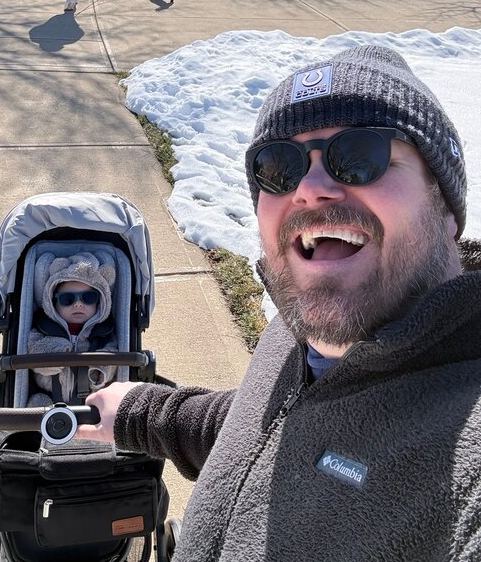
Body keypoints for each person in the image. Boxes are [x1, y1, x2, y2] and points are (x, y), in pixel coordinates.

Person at [75, 44, 481, 561]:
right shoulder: (301, 330)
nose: (310, 189)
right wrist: (150, 414)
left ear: (445, 205)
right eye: (279, 168)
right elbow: (282, 427)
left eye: (360, 155)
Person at [27, 252, 117, 406]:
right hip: (48, 399)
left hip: (92, 402)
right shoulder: (43, 329)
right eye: (68, 299)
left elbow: (114, 354)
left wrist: (100, 369)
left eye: (88, 298)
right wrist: (58, 352)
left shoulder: (103, 333)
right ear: (53, 303)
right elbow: (32, 352)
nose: (78, 304)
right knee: (36, 404)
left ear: (100, 301)